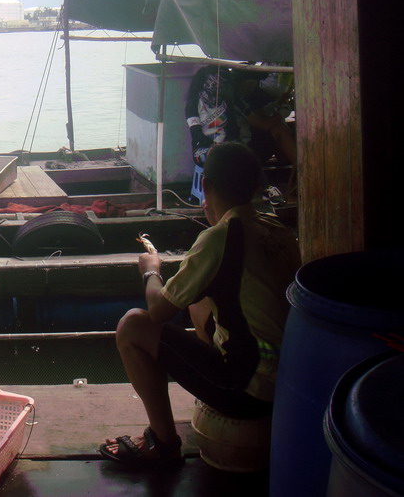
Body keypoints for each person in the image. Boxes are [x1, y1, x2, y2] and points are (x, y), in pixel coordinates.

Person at [99, 141, 301, 468]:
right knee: (199, 302)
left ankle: (162, 443)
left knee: (133, 325)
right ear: (255, 187)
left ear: (205, 185)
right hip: (291, 381)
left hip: (249, 391)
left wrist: (151, 270)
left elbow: (158, 311)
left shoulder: (219, 238)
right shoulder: (276, 229)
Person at [186, 65, 296, 168]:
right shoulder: (232, 102)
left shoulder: (232, 101)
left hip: (233, 146)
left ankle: (289, 166)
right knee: (279, 128)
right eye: (249, 84)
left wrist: (277, 104)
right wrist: (283, 112)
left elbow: (257, 115)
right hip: (224, 149)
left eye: (254, 85)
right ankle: (299, 166)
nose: (252, 88)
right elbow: (264, 125)